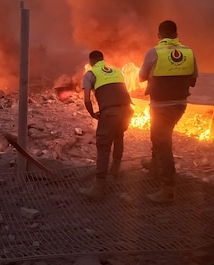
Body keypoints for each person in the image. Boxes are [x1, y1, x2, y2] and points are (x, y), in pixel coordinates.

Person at [139, 20, 198, 203]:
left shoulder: (154, 52)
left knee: (162, 143)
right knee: (158, 136)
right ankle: (155, 165)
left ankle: (168, 189)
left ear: (159, 35)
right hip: (180, 105)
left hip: (161, 105)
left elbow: (141, 77)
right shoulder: (188, 52)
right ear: (176, 34)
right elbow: (193, 80)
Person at [80, 50, 134, 200]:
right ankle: (115, 171)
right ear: (103, 59)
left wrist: (92, 114)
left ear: (91, 62)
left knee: (103, 146)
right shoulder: (117, 71)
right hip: (127, 110)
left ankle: (99, 187)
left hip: (110, 112)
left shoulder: (90, 74)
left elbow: (86, 100)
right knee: (118, 136)